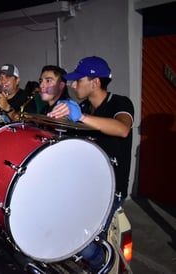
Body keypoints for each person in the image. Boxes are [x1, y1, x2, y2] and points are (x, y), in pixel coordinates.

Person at [48, 56, 134, 270]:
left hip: (111, 190)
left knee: (86, 247)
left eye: (78, 80)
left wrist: (82, 117)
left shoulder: (120, 102)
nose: (73, 85)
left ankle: (105, 264)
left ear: (95, 82)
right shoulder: (84, 105)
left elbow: (122, 129)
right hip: (86, 185)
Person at [0, 64, 36, 128]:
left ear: (17, 81)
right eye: (0, 78)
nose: (3, 81)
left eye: (8, 77)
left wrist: (7, 108)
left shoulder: (27, 99)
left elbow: (26, 125)